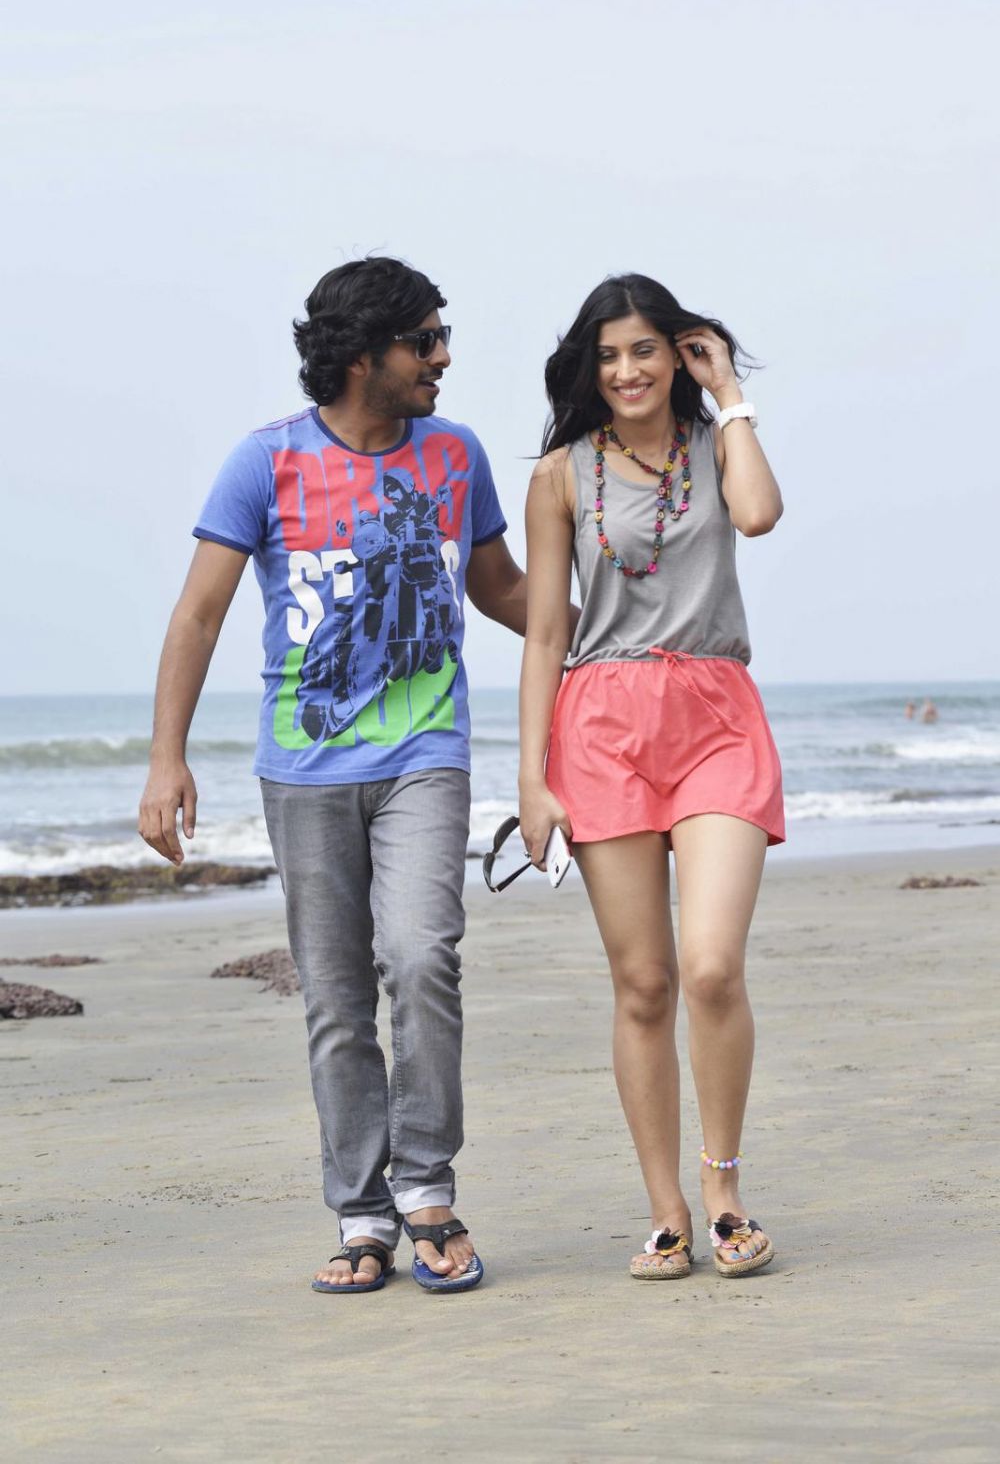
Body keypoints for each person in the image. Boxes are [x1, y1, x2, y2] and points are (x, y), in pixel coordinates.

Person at [139, 256, 528, 1294]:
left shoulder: (455, 455)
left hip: (424, 754)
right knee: (337, 997)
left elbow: (498, 588)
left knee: (422, 956)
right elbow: (199, 615)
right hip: (304, 770)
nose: (443, 358)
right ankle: (362, 1212)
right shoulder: (265, 461)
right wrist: (167, 757)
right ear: (363, 355)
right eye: (425, 341)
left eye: (443, 338)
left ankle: (427, 1188)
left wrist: (612, 633)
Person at [519, 273, 784, 1280]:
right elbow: (547, 633)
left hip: (715, 716)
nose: (625, 370)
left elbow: (758, 514)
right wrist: (531, 777)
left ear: (678, 353)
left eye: (644, 349)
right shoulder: (561, 474)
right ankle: (667, 1208)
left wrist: (731, 395)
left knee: (710, 967)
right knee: (642, 984)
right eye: (607, 355)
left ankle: (724, 1190)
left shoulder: (718, 446)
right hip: (601, 726)